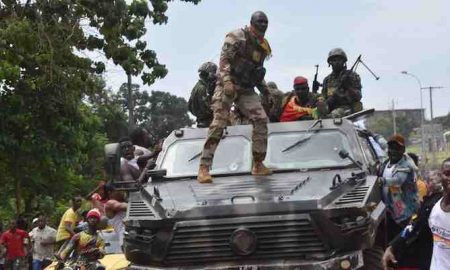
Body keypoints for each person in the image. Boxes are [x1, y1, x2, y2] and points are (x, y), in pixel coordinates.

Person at [197, 11, 273, 184]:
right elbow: (224, 61)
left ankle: (258, 164)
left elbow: (257, 72)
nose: (263, 25)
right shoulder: (237, 37)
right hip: (227, 84)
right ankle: (204, 167)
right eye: (260, 21)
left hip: (246, 88)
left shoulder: (263, 46)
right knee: (219, 123)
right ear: (252, 23)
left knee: (261, 119)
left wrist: (266, 91)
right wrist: (227, 82)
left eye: (266, 22)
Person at [382, 158, 450, 270]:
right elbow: (413, 225)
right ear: (440, 175)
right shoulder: (431, 205)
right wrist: (392, 246)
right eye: (447, 174)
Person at [379, 134, 420, 243]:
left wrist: (381, 181)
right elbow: (382, 144)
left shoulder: (406, 164)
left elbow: (397, 181)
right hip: (391, 210)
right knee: (392, 240)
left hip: (404, 213)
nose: (393, 151)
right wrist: (373, 135)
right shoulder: (387, 161)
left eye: (397, 148)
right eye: (391, 148)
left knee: (405, 239)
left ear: (403, 150)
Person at [321, 48, 362, 118]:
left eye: (339, 60)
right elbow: (323, 98)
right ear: (330, 63)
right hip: (331, 107)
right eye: (334, 60)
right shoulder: (327, 80)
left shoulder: (352, 76)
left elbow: (358, 97)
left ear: (344, 61)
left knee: (331, 116)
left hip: (348, 108)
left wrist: (348, 86)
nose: (337, 62)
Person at [188, 62, 218, 128]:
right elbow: (205, 107)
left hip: (202, 120)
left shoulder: (197, 86)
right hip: (207, 122)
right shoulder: (202, 88)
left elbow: (189, 106)